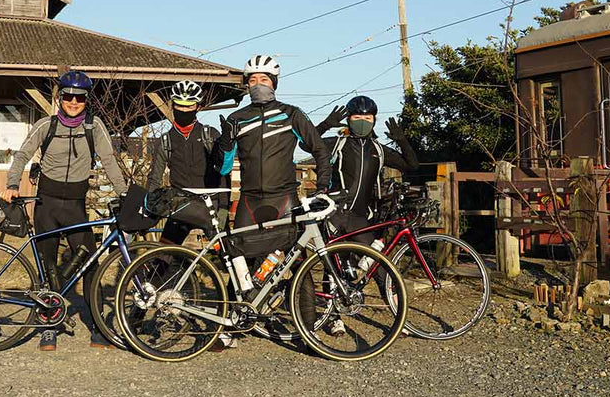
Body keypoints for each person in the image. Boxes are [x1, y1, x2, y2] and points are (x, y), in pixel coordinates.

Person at [4, 70, 128, 351]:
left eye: (79, 98)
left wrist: (123, 193)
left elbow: (109, 159)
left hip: (75, 204)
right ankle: (49, 324)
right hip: (46, 203)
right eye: (68, 96)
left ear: (87, 100)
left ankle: (98, 327)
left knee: (89, 264)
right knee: (48, 265)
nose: (73, 102)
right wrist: (12, 183)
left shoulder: (94, 127)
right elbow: (22, 154)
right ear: (60, 97)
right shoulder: (45, 126)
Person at [218, 55, 331, 258]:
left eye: (264, 79)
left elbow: (321, 151)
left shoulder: (291, 114)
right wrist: (226, 141)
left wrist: (322, 187)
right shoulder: (236, 118)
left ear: (274, 82)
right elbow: (225, 168)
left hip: (285, 199)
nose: (258, 85)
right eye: (252, 80)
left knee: (297, 265)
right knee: (240, 264)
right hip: (249, 201)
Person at [316, 95, 419, 228]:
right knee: (328, 249)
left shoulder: (379, 149)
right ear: (348, 120)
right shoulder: (337, 144)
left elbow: (412, 165)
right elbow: (305, 144)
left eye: (367, 118)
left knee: (371, 249)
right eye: (357, 118)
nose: (362, 122)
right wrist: (325, 125)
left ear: (374, 121)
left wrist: (402, 141)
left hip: (362, 217)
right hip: (334, 214)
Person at [146, 80, 228, 246]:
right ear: (172, 105)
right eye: (179, 106)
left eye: (189, 106)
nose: (183, 110)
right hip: (180, 206)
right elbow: (154, 177)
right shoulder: (165, 141)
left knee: (228, 257)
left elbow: (224, 172)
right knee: (164, 258)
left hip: (209, 205)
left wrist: (224, 207)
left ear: (198, 107)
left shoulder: (210, 135)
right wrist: (147, 208)